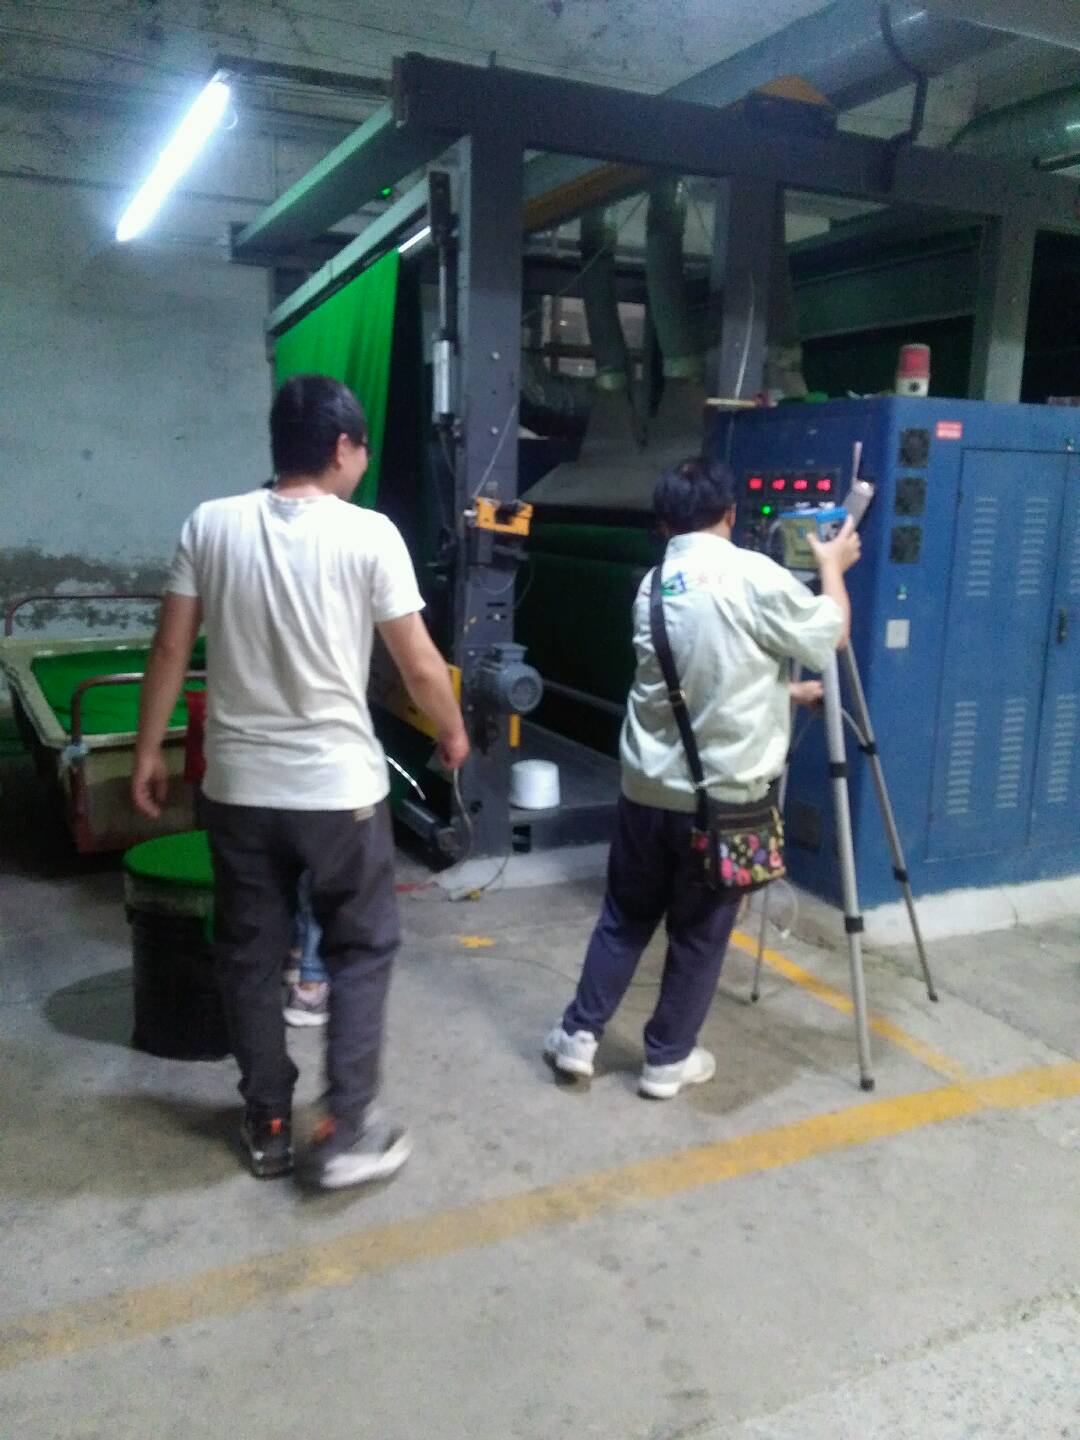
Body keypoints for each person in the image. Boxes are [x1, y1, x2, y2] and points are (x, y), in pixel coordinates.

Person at [132, 373, 469, 1186]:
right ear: (342, 447)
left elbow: (171, 648)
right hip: (337, 794)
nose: (364, 462)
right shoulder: (370, 535)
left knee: (249, 955)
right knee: (361, 946)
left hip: (238, 790)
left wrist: (148, 751)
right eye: (362, 449)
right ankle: (348, 1125)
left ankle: (269, 1120)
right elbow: (418, 663)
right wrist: (453, 730)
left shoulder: (210, 525)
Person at [545, 456, 859, 1099]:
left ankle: (578, 1036)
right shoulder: (756, 575)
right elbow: (828, 637)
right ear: (731, 513)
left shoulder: (653, 586)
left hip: (646, 792)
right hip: (727, 805)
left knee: (623, 918)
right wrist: (832, 566)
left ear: (664, 523)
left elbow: (696, 679)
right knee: (698, 934)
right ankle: (667, 1060)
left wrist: (784, 693)